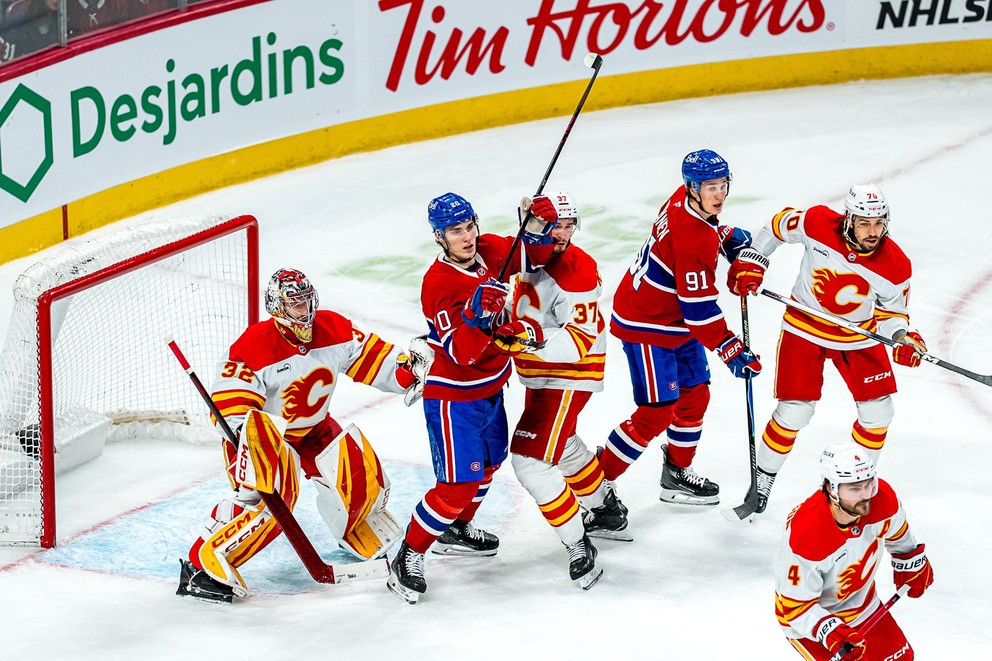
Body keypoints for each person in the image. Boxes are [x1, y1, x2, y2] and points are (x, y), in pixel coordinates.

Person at [177, 268, 429, 603]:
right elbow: (232, 403)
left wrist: (406, 369)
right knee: (264, 506)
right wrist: (246, 435)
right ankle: (203, 563)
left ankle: (354, 531)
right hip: (265, 439)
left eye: (307, 300)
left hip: (314, 428)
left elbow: (372, 358)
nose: (304, 310)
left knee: (362, 478)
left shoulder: (333, 329)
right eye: (295, 303)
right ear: (277, 307)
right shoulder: (254, 345)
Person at [386, 191, 557, 604]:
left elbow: (534, 257)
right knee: (455, 487)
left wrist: (536, 227)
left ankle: (455, 528)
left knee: (489, 465)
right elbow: (461, 354)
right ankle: (407, 555)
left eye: (469, 227)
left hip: (492, 387)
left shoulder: (489, 248)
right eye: (455, 231)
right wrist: (475, 316)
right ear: (439, 237)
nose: (466, 237)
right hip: (453, 398)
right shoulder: (438, 283)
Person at [727, 184, 926, 515]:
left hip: (858, 337)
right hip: (805, 327)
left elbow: (893, 315)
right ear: (848, 219)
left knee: (879, 413)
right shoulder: (817, 222)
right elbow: (777, 226)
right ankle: (761, 482)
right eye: (864, 223)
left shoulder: (896, 265)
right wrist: (754, 258)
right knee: (794, 412)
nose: (872, 231)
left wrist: (904, 337)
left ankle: (858, 486)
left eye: (878, 223)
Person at [602, 148, 761, 506]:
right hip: (645, 322)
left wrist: (724, 235)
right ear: (692, 187)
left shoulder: (683, 201)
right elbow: (699, 310)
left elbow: (698, 241)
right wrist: (730, 348)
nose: (718, 194)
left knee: (695, 395)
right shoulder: (693, 238)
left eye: (722, 185)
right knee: (657, 411)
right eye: (709, 187)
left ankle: (675, 474)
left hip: (672, 319)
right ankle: (596, 484)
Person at [503, 191, 629, 591]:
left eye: (569, 224)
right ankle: (604, 508)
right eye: (553, 223)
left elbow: (577, 341)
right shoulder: (522, 254)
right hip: (541, 370)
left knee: (530, 460)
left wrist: (524, 336)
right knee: (561, 441)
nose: (562, 233)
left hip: (567, 374)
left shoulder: (576, 269)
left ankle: (578, 545)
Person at [774, 443, 933, 660]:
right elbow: (795, 607)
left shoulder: (883, 499)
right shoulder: (807, 535)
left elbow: (899, 537)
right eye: (855, 489)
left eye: (869, 485)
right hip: (812, 623)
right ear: (831, 488)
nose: (866, 495)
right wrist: (830, 632)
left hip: (863, 605)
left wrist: (910, 558)